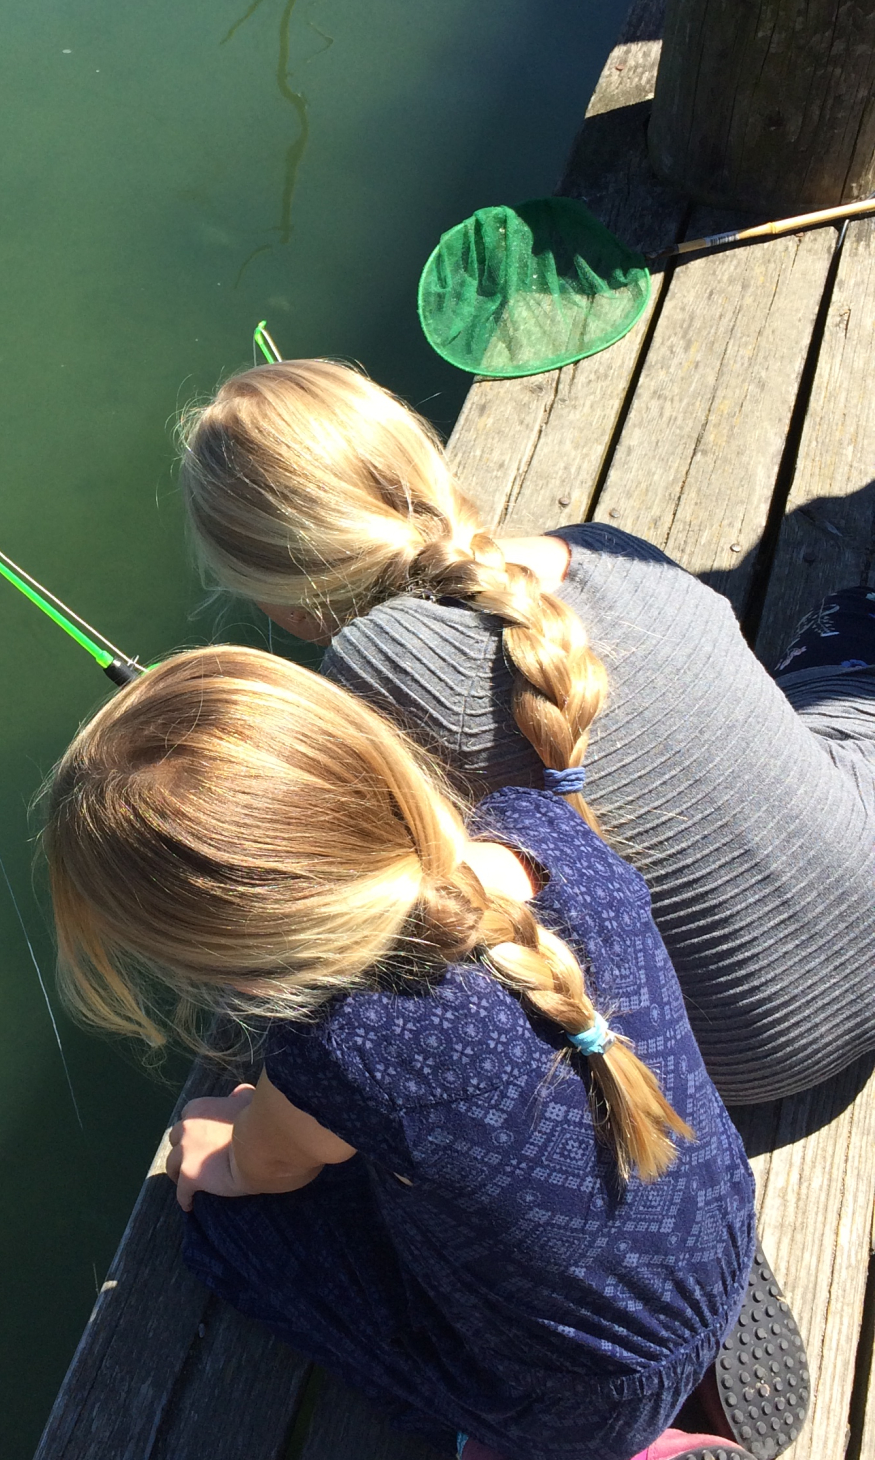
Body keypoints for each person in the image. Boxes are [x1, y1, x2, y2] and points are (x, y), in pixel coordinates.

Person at [40, 648, 809, 1460]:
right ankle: (698, 1345)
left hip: (583, 1401)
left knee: (232, 1236)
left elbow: (263, 1167)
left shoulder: (337, 1050)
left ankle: (564, 1458)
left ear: (233, 965)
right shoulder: (538, 830)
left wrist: (223, 1146)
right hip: (722, 1224)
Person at [178, 357, 875, 1106]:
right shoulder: (605, 546)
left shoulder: (367, 669)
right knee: (853, 621)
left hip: (733, 1061)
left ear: (274, 590)